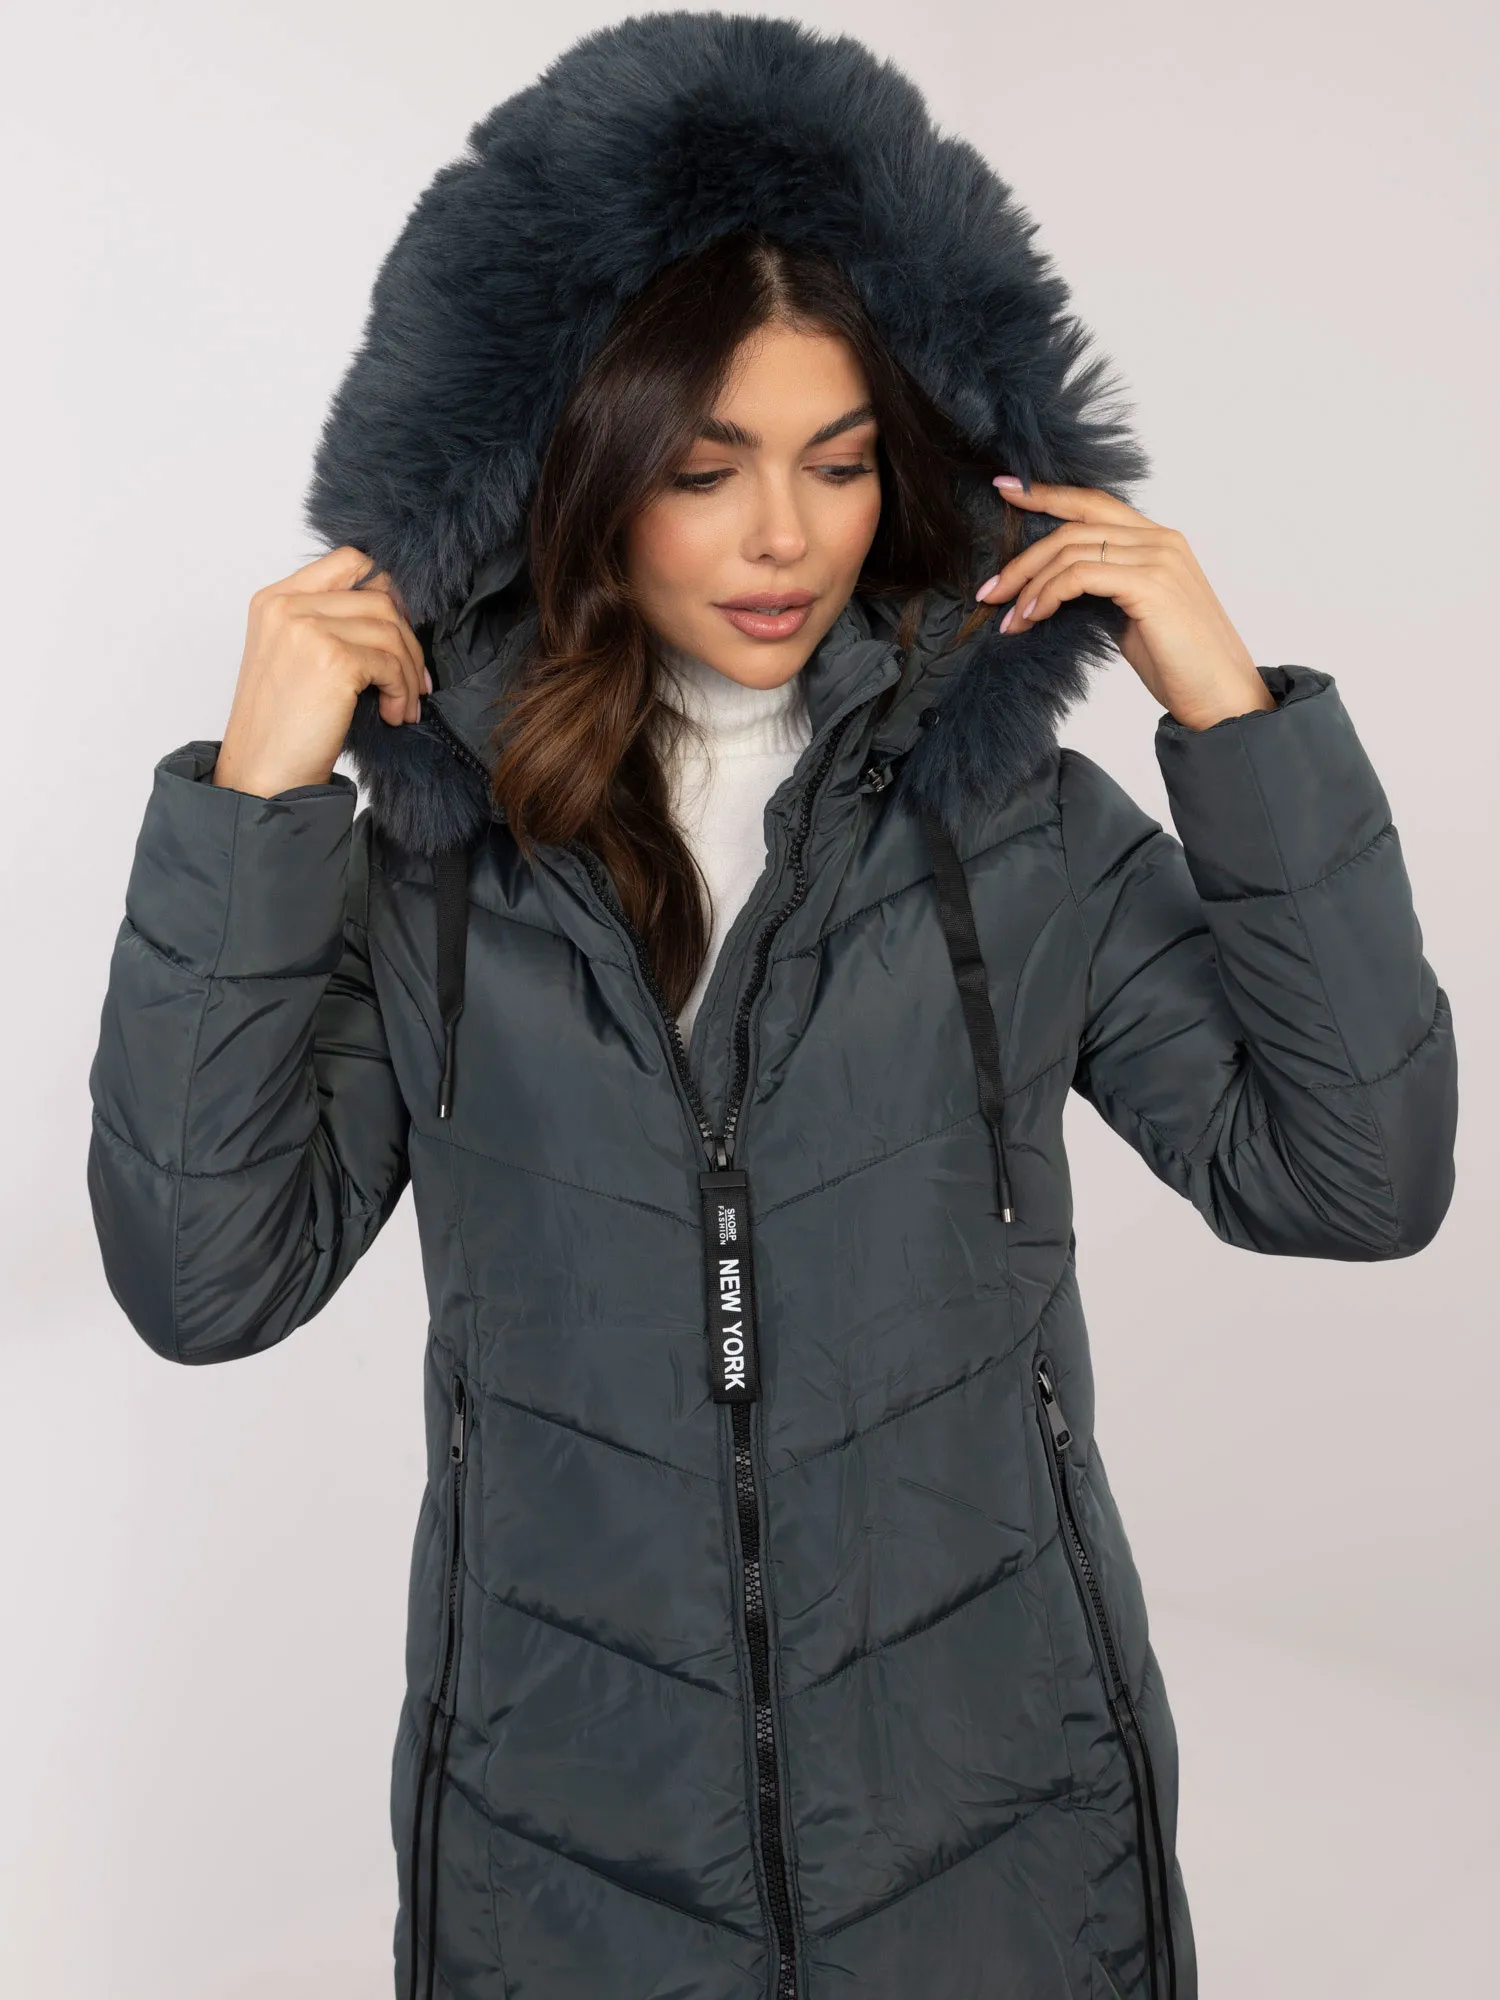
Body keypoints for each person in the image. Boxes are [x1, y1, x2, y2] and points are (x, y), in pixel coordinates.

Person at [85, 15, 1457, 2000]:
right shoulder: (437, 879)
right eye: (703, 468)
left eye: (838, 461)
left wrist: (1229, 712)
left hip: (999, 1847)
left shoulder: (1018, 834)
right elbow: (205, 1281)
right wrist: (254, 799)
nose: (784, 537)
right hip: (564, 1863)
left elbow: (1355, 1176)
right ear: (580, 477)